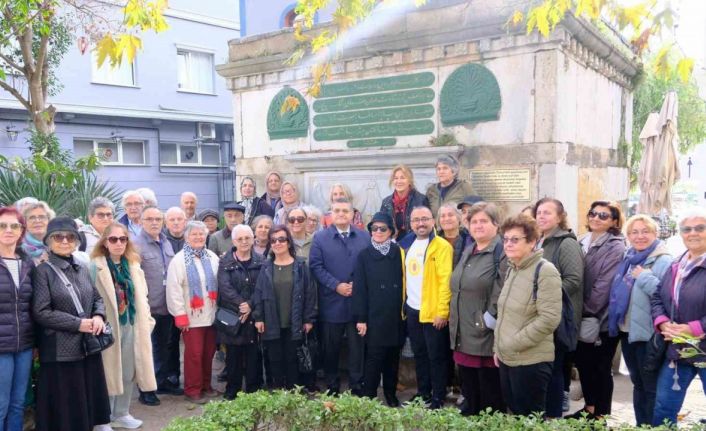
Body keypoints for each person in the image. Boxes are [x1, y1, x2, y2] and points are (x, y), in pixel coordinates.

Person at [32, 217, 111, 431]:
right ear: (49, 241)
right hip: (60, 351)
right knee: (66, 409)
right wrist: (78, 324)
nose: (65, 241)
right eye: (59, 236)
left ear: (77, 241)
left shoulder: (81, 268)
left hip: (86, 347)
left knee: (85, 403)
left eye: (70, 237)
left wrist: (98, 317)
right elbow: (41, 312)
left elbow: (97, 299)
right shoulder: (43, 272)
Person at [90, 222, 156, 429]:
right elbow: (89, 298)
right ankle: (103, 418)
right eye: (113, 239)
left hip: (132, 325)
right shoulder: (95, 266)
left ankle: (122, 413)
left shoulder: (133, 264)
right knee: (109, 372)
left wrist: (148, 320)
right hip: (108, 328)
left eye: (123, 239)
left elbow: (143, 295)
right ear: (105, 242)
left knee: (128, 371)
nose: (119, 243)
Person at [494, 214, 561, 416]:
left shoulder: (545, 270)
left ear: (532, 242)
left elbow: (549, 319)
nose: (508, 244)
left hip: (531, 361)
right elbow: (506, 314)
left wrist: (513, 343)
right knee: (515, 414)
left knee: (529, 419)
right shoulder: (513, 269)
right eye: (505, 239)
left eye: (515, 239)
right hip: (508, 358)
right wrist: (499, 347)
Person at [608, 215, 671, 426]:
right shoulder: (629, 258)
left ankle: (655, 426)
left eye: (645, 231)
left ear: (655, 234)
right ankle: (641, 425)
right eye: (634, 232)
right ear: (628, 236)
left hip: (650, 335)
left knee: (651, 387)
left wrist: (644, 276)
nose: (640, 236)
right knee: (638, 384)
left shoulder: (664, 260)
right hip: (628, 332)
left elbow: (668, 297)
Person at [568, 200, 626, 420]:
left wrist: (585, 310)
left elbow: (605, 284)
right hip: (581, 316)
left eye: (603, 215)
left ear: (613, 221)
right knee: (584, 364)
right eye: (593, 213)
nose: (596, 218)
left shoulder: (616, 245)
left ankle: (600, 415)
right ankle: (589, 408)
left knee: (600, 368)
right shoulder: (582, 239)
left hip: (601, 318)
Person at [449, 202, 506, 416]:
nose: (478, 225)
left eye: (484, 221)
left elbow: (501, 290)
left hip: (485, 334)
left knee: (489, 396)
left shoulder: (500, 251)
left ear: (496, 224)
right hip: (463, 332)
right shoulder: (468, 249)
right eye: (474, 221)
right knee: (470, 391)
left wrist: (486, 319)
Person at [309, 198, 371, 395]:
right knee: (331, 347)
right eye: (337, 210)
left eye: (345, 211)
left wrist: (358, 286)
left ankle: (356, 383)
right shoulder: (320, 238)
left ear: (352, 214)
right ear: (331, 214)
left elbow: (369, 267)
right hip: (331, 302)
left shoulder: (364, 237)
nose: (341, 214)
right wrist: (336, 285)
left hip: (356, 302)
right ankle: (332, 383)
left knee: (356, 348)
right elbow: (316, 267)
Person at [651, 208, 706, 427]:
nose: (693, 233)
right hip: (678, 350)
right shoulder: (676, 264)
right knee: (664, 408)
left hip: (703, 348)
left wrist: (691, 328)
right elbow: (657, 297)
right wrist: (663, 323)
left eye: (700, 228)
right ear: (680, 234)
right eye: (687, 229)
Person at [533, 197, 584, 417]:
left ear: (560, 217)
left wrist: (539, 295)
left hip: (558, 316)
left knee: (553, 369)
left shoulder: (566, 243)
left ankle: (553, 416)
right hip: (539, 314)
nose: (541, 216)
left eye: (547, 212)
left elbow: (573, 280)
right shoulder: (539, 240)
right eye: (539, 212)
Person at [398, 206, 453, 409]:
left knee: (436, 356)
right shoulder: (405, 244)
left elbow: (445, 281)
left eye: (424, 219)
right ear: (410, 223)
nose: (420, 223)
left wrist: (442, 311)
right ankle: (423, 393)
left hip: (432, 311)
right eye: (416, 220)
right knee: (419, 354)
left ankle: (438, 398)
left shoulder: (442, 246)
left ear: (433, 221)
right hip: (412, 309)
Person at [253, 226, 316, 389]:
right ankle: (278, 393)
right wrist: (258, 317)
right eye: (273, 240)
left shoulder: (301, 266)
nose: (277, 243)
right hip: (272, 321)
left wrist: (308, 319)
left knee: (292, 359)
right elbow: (258, 293)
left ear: (289, 242)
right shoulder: (266, 267)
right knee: (275, 359)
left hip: (294, 322)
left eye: (281, 239)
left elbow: (310, 293)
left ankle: (293, 394)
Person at [352, 212, 405, 407]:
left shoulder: (399, 253)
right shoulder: (364, 255)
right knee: (374, 359)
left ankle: (390, 395)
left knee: (392, 360)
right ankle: (369, 396)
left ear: (391, 231)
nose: (379, 232)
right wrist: (361, 318)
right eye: (375, 229)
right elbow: (359, 289)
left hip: (395, 316)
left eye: (383, 228)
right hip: (374, 317)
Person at [166, 221, 220, 404]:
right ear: (186, 237)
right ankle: (192, 389)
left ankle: (206, 385)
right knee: (194, 354)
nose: (198, 237)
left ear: (206, 236)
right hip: (191, 317)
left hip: (211, 315)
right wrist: (179, 315)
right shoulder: (179, 260)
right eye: (194, 234)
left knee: (208, 353)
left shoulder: (212, 257)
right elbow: (173, 290)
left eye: (201, 234)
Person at [132, 206, 180, 406]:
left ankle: (162, 382)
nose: (154, 223)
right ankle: (147, 390)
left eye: (158, 219)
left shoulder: (166, 241)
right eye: (149, 219)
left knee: (164, 347)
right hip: (148, 307)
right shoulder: (136, 245)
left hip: (166, 305)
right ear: (141, 221)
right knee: (147, 350)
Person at [217, 224, 263, 399]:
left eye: (247, 238)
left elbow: (262, 287)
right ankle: (232, 391)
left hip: (253, 314)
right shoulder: (225, 261)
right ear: (234, 241)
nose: (244, 241)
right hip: (231, 315)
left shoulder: (261, 261)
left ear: (253, 239)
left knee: (253, 354)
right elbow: (225, 287)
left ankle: (253, 390)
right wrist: (242, 304)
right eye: (240, 239)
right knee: (233, 356)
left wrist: (250, 305)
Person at [0, 207, 34, 431]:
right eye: (2, 225)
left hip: (24, 345)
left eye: (14, 226)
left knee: (18, 403)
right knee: (0, 404)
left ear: (22, 230)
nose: (8, 230)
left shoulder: (27, 262)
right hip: (1, 346)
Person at [380, 165, 429, 240]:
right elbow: (382, 225)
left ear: (409, 181)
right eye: (396, 178)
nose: (399, 181)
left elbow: (426, 225)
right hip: (392, 243)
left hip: (415, 242)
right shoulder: (386, 202)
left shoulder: (421, 200)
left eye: (402, 178)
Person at [437, 203, 472, 269]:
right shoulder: (434, 241)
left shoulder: (469, 240)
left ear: (459, 218)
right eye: (443, 216)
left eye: (450, 215)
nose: (446, 219)